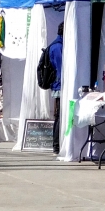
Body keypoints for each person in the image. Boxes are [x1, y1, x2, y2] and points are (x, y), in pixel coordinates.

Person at [47, 24, 63, 154]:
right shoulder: (59, 46)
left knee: (58, 115)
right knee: (59, 116)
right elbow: (61, 66)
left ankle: (56, 144)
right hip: (60, 85)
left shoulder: (54, 45)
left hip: (57, 85)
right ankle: (56, 145)